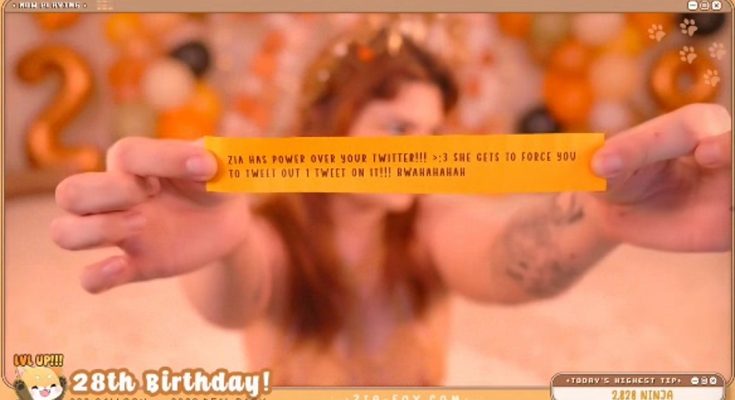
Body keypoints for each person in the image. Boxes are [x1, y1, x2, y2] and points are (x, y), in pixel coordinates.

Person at [51, 28, 732, 385]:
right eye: (398, 128)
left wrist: (606, 217)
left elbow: (506, 264)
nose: (420, 151)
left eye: (431, 132)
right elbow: (235, 300)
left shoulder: (429, 224)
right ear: (328, 123)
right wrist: (222, 245)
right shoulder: (267, 232)